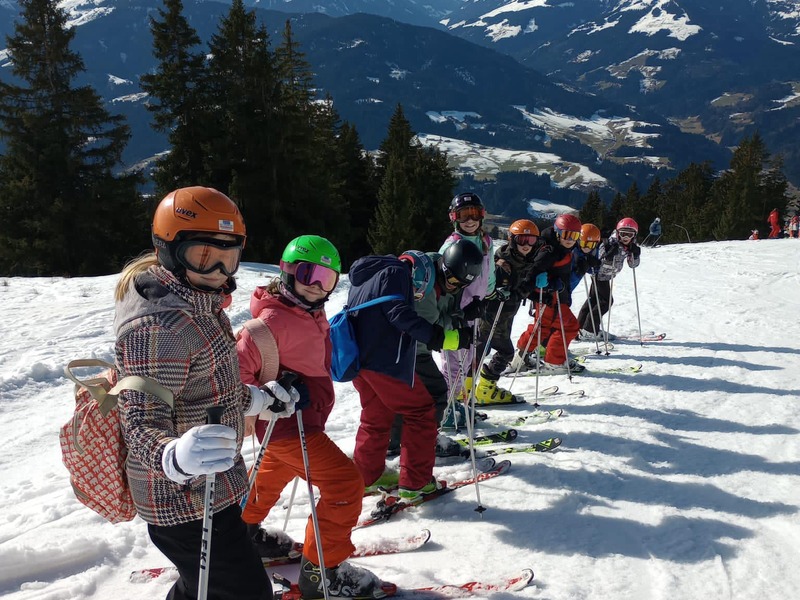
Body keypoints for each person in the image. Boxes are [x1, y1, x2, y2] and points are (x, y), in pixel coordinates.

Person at [115, 186, 301, 600]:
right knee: (247, 591)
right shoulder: (158, 326)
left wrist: (259, 399)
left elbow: (206, 387)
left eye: (229, 256)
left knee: (207, 585)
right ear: (168, 249)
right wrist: (172, 454)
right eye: (203, 255)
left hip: (212, 488)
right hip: (180, 500)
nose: (219, 269)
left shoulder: (198, 302)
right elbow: (139, 420)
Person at [236, 235, 387, 600]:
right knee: (345, 485)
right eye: (308, 274)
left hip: (298, 425)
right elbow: (233, 379)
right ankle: (322, 573)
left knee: (270, 477)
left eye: (328, 278)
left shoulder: (308, 312)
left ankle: (241, 535)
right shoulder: (269, 323)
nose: (317, 286)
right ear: (287, 271)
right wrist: (271, 396)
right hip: (289, 426)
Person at [347, 246, 473, 505]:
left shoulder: (370, 274)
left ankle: (367, 475)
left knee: (376, 416)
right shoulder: (397, 272)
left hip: (360, 361)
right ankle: (416, 483)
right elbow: (399, 314)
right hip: (384, 361)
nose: (417, 292)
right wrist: (440, 337)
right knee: (421, 411)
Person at [385, 245, 483, 458]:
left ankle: (396, 442)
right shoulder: (426, 284)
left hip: (404, 348)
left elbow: (446, 308)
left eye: (463, 284)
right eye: (454, 281)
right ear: (444, 267)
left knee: (409, 398)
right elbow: (432, 329)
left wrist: (462, 312)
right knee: (435, 393)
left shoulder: (443, 268)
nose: (456, 287)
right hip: (411, 348)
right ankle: (422, 442)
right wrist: (458, 321)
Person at [472, 219, 540, 404]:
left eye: (531, 240)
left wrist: (531, 289)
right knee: (503, 352)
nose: (526, 245)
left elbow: (524, 283)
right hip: (492, 314)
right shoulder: (502, 261)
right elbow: (487, 282)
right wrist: (499, 282)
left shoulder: (528, 259)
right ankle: (481, 389)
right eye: (522, 240)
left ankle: (474, 389)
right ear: (512, 239)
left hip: (508, 314)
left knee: (480, 349)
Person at [438, 192, 495, 405]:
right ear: (454, 218)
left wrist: (488, 294)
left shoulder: (486, 241)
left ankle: (455, 403)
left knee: (468, 361)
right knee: (454, 364)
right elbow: (442, 283)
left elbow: (489, 274)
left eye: (473, 214)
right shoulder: (452, 245)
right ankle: (445, 410)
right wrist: (457, 311)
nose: (469, 221)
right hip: (456, 314)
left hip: (475, 309)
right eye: (463, 216)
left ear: (482, 215)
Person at [513, 214, 584, 373]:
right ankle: (554, 361)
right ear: (558, 232)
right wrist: (544, 285)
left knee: (541, 328)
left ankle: (520, 357)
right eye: (566, 234)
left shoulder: (560, 247)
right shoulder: (550, 250)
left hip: (552, 297)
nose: (570, 239)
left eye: (574, 235)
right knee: (569, 327)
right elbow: (534, 271)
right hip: (551, 298)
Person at [576, 217, 641, 341]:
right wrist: (609, 254)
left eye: (629, 234)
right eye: (623, 234)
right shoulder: (610, 242)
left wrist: (635, 255)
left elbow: (633, 265)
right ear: (618, 233)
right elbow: (599, 259)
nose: (626, 237)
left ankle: (579, 327)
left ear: (634, 235)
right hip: (600, 275)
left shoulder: (630, 247)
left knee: (593, 300)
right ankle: (589, 330)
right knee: (606, 301)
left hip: (606, 275)